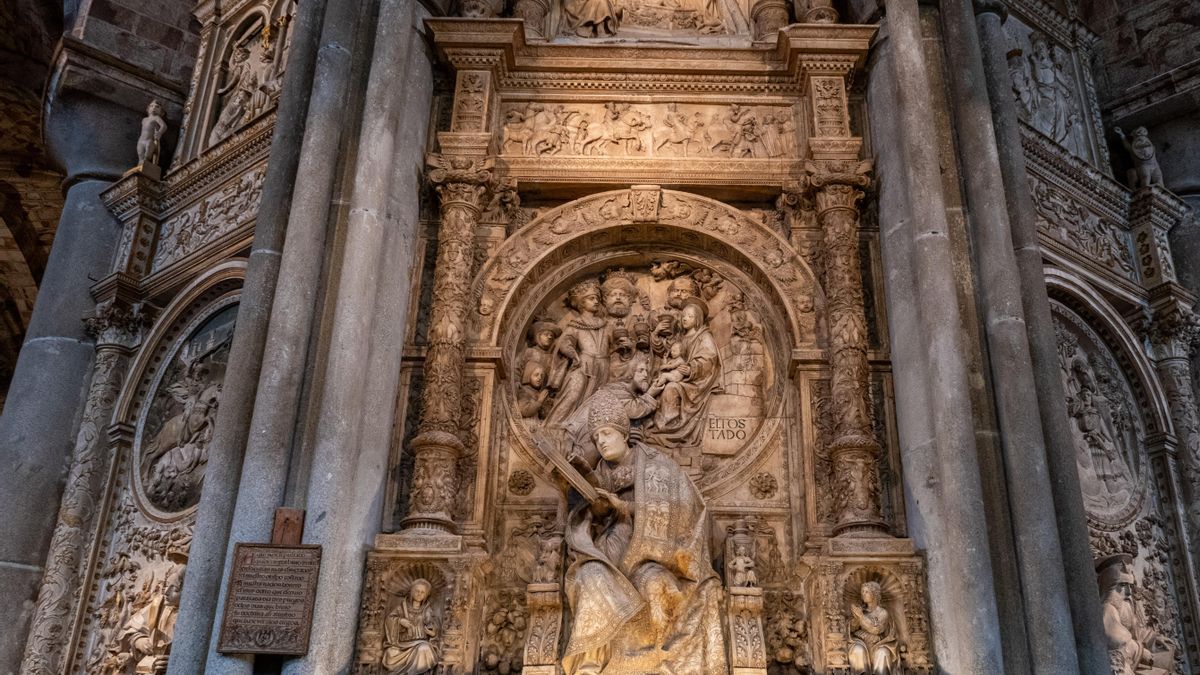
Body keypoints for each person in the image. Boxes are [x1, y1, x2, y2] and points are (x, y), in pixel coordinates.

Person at [561, 387, 726, 674]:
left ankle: (653, 661)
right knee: (588, 576)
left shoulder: (656, 465)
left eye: (607, 434)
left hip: (652, 559)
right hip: (609, 556)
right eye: (596, 437)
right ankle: (590, 664)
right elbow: (585, 522)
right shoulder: (599, 473)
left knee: (656, 585)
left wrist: (625, 508)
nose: (601, 442)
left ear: (624, 434)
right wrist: (595, 509)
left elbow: (683, 508)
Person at [649, 297, 722, 448]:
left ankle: (668, 426)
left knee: (671, 388)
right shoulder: (680, 338)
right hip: (681, 377)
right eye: (683, 316)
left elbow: (709, 359)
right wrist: (655, 334)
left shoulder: (704, 337)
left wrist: (691, 369)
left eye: (689, 316)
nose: (685, 319)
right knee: (658, 384)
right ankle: (652, 417)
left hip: (697, 382)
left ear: (698, 319)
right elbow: (665, 351)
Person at [1097, 555, 1177, 675]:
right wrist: (1142, 653)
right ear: (1110, 585)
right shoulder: (1107, 609)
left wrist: (1153, 639)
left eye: (1130, 586)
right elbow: (1116, 640)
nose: (1129, 592)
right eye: (1123, 586)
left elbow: (1134, 631)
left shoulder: (1125, 605)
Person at [546, 280, 611, 425]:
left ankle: (582, 430)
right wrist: (573, 355)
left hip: (603, 366)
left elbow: (613, 343)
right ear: (581, 303)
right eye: (591, 298)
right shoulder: (576, 324)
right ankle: (553, 426)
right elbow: (564, 342)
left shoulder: (605, 324)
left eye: (597, 299)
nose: (596, 301)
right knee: (573, 394)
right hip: (583, 364)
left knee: (596, 403)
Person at [382, 579, 440, 675]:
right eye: (417, 591)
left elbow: (433, 625)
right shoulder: (401, 607)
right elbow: (390, 619)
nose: (419, 594)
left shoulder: (427, 610)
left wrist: (433, 633)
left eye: (422, 592)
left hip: (420, 643)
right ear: (412, 591)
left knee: (424, 649)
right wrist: (400, 621)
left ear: (426, 595)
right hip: (401, 644)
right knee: (390, 653)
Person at [847, 581, 899, 675]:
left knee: (882, 653)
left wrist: (861, 617)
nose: (863, 594)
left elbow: (876, 630)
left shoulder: (882, 613)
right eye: (862, 592)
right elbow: (852, 629)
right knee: (857, 650)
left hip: (879, 643)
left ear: (874, 594)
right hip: (861, 642)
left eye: (866, 592)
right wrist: (855, 619)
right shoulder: (862, 611)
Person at [137, 101, 167, 169]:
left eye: (157, 107)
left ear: (161, 111)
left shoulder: (156, 118)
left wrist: (159, 133)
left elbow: (164, 126)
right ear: (148, 109)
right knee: (140, 157)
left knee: (147, 157)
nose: (154, 108)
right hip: (141, 140)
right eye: (152, 106)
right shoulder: (144, 119)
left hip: (149, 140)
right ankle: (139, 169)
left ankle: (145, 169)